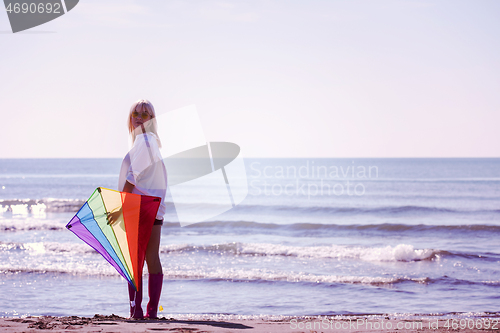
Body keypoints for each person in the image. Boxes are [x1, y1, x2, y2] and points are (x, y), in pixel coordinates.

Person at [118, 99, 167, 319]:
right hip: (154, 207)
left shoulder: (145, 141)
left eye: (145, 114)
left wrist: (120, 206)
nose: (139, 117)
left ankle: (135, 311)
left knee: (135, 260)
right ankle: (150, 312)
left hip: (139, 207)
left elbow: (132, 177)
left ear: (151, 120)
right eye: (135, 113)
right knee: (151, 258)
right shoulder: (152, 142)